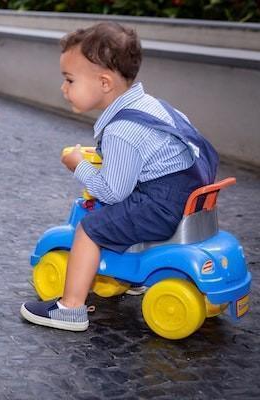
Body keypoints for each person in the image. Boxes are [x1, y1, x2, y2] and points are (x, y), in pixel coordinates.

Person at [20, 22, 218, 331]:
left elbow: (112, 192)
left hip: (160, 204)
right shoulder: (152, 106)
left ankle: (70, 308)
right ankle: (130, 276)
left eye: (69, 80)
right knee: (119, 216)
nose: (63, 88)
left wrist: (78, 165)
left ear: (104, 82)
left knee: (90, 229)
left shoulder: (122, 131)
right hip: (182, 195)